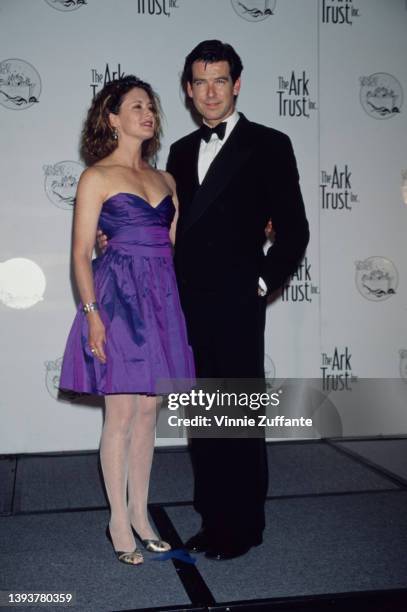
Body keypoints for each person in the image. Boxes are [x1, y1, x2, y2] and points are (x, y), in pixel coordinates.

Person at [98, 40, 309, 561]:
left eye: (220, 80)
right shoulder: (181, 151)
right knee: (202, 419)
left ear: (236, 84)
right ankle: (214, 518)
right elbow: (168, 227)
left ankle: (243, 525)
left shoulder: (270, 143)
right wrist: (116, 237)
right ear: (189, 91)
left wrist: (260, 285)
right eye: (199, 82)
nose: (210, 91)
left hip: (237, 302)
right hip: (183, 302)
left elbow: (295, 230)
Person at [60, 75, 195, 565]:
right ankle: (118, 519)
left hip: (160, 301)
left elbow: (172, 250)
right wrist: (93, 315)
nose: (148, 113)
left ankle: (142, 513)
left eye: (151, 107)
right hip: (116, 301)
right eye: (136, 106)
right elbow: (80, 255)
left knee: (146, 415)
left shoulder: (166, 181)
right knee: (119, 414)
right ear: (112, 118)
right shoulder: (95, 177)